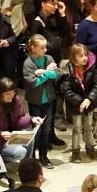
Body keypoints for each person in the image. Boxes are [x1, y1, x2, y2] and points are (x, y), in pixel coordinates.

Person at [22, 34, 62, 169]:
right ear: (33, 48)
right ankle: (31, 157)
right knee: (36, 130)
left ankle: (44, 156)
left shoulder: (48, 58)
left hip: (49, 100)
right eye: (42, 48)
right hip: (35, 101)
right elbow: (33, 83)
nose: (45, 50)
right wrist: (46, 74)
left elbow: (57, 74)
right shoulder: (28, 63)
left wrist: (42, 72)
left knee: (46, 129)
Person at [60, 43, 97, 163]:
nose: (85, 58)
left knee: (89, 127)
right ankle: (75, 151)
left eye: (86, 55)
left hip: (88, 104)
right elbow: (66, 90)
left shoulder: (92, 69)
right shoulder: (68, 71)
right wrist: (80, 101)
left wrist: (89, 99)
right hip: (75, 106)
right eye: (81, 56)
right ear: (73, 57)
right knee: (77, 128)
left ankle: (90, 148)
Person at [0, 77, 39, 162]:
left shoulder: (16, 100)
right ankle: (1, 160)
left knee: (30, 134)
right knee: (21, 151)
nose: (11, 96)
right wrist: (0, 134)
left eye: (13, 93)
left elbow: (19, 120)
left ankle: (27, 165)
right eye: (8, 94)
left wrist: (31, 119)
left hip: (11, 135)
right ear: (0, 94)